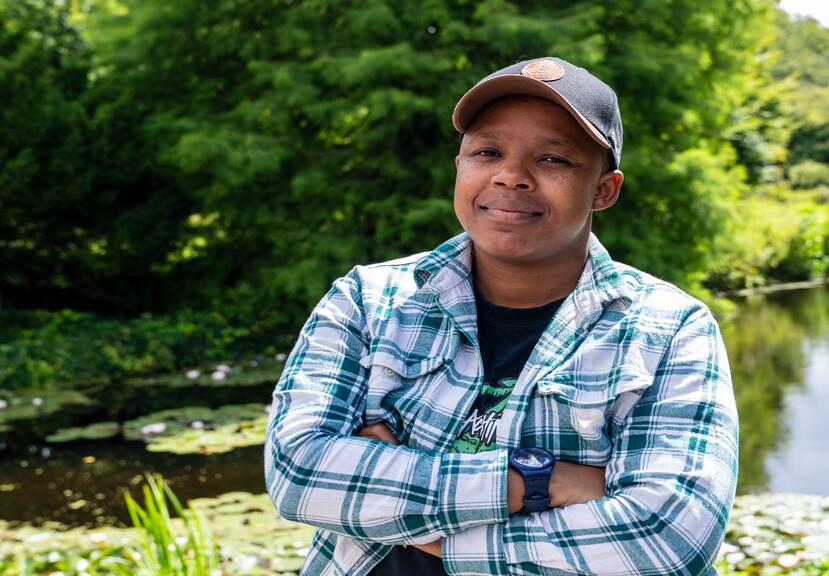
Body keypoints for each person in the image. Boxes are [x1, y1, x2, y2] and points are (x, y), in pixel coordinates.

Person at [264, 57, 739, 576]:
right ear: (460, 167)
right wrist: (538, 482)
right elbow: (298, 473)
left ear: (604, 190)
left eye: (553, 159)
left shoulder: (671, 328)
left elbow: (669, 538)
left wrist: (419, 525)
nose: (511, 176)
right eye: (487, 152)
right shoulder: (367, 300)